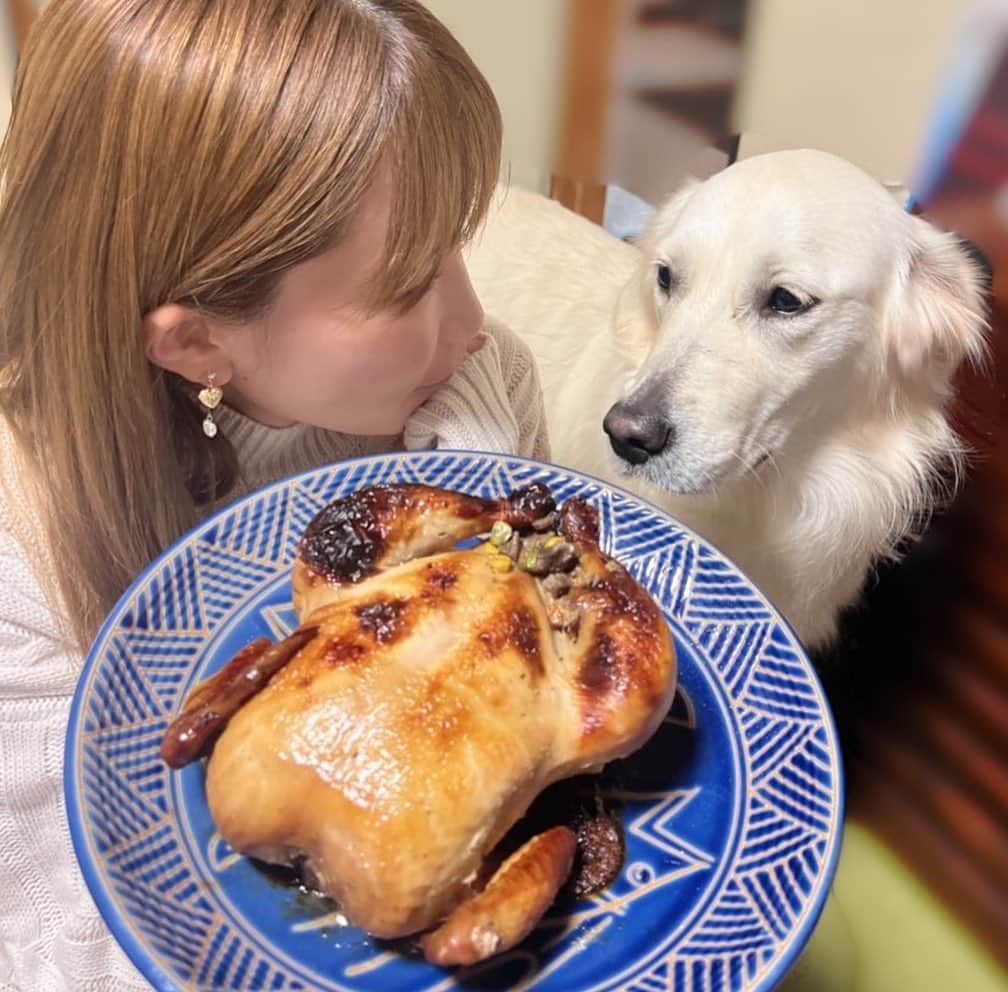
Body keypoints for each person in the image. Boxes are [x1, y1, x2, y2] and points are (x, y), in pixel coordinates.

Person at [0, 1, 548, 986]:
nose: (474, 324)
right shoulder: (22, 560)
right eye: (411, 282)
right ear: (199, 342)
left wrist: (480, 485)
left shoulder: (479, 380)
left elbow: (551, 647)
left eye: (462, 245)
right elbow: (81, 947)